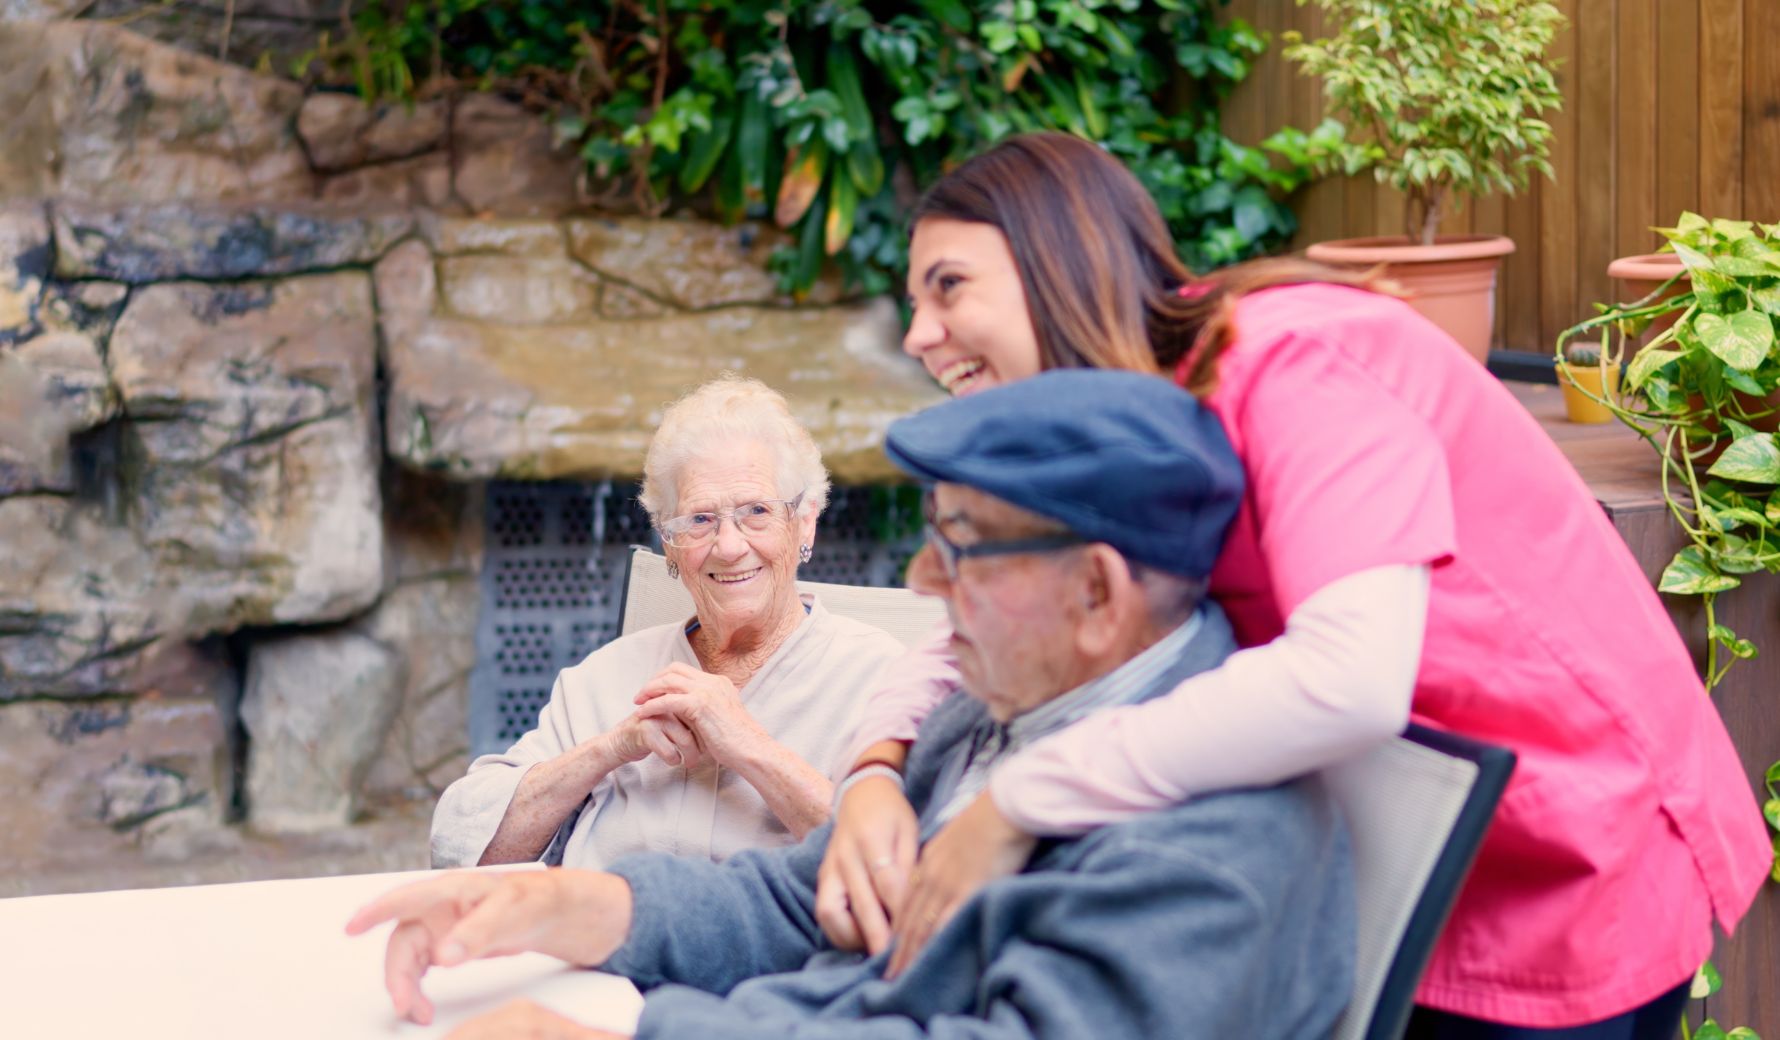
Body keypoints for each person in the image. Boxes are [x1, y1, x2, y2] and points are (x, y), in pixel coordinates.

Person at [816, 133, 1772, 1039]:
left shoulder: (1290, 357)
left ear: (1063, 260)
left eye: (949, 287)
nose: (920, 335)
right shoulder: (1125, 427)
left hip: (1574, 833)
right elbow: (983, 614)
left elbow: (1348, 678)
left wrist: (1019, 799)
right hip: (1404, 852)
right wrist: (874, 769)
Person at [347, 370, 1356, 1040]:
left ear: (1096, 592)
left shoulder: (1212, 838)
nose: (924, 578)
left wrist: (616, 1034)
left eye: (960, 544)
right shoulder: (987, 714)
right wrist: (570, 901)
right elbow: (801, 896)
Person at [431, 375, 903, 870]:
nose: (728, 546)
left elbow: (897, 864)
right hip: (598, 936)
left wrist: (747, 744)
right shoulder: (608, 675)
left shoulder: (878, 677)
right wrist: (611, 748)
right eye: (699, 520)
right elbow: (460, 845)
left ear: (805, 521)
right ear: (668, 541)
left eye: (757, 512)